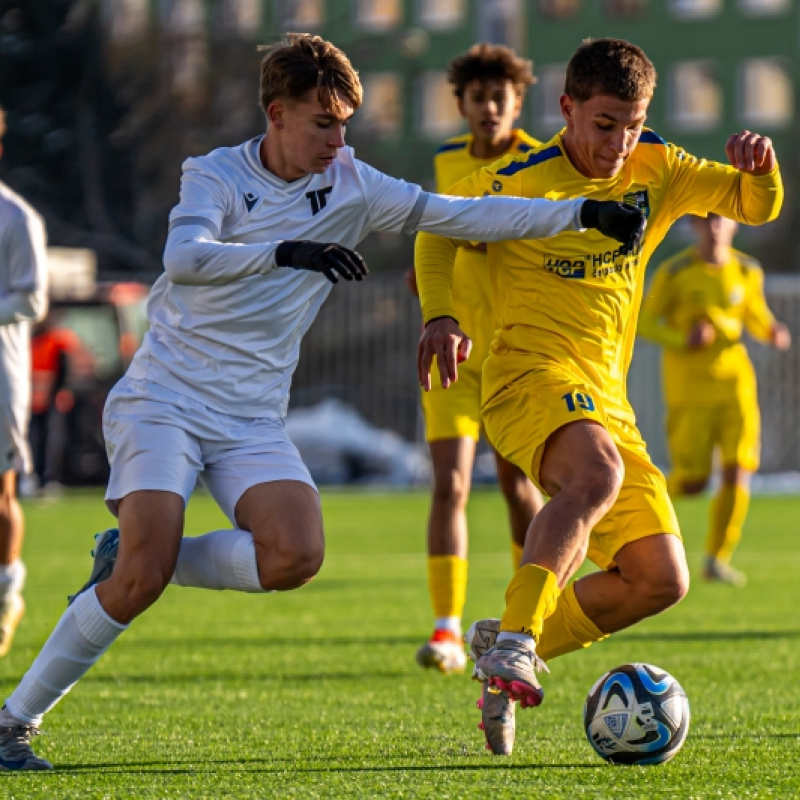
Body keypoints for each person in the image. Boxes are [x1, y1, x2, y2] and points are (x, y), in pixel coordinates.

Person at [0, 33, 643, 770]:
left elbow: (458, 213)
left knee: (295, 556)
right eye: (322, 123)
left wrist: (580, 217)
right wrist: (288, 250)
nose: (339, 141)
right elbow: (185, 259)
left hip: (250, 417)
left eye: (345, 124)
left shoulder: (352, 181)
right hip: (165, 399)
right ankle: (14, 722)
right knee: (138, 581)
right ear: (276, 114)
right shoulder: (212, 174)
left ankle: (145, 555)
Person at [415, 37, 782, 756]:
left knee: (659, 578)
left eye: (634, 125)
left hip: (605, 401)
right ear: (567, 110)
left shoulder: (661, 169)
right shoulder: (523, 178)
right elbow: (438, 233)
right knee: (596, 476)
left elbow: (752, 207)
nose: (620, 143)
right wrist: (440, 316)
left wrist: (762, 173)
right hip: (526, 377)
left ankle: (509, 643)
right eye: (606, 124)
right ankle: (519, 640)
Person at [406, 43, 545, 676]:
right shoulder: (445, 160)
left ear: (517, 104)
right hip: (451, 352)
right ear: (459, 104)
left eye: (500, 98)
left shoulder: (539, 159)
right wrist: (430, 282)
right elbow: (439, 235)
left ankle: (528, 625)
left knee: (519, 488)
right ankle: (445, 631)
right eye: (477, 98)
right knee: (451, 485)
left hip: (512, 350)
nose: (488, 108)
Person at [638, 213, 790, 587]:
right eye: (706, 222)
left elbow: (753, 313)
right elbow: (644, 322)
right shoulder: (675, 273)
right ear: (694, 227)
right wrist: (681, 339)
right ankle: (629, 500)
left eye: (721, 220)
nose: (715, 228)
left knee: (740, 467)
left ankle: (717, 558)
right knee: (692, 483)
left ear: (735, 225)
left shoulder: (746, 269)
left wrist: (770, 330)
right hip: (690, 387)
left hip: (736, 380)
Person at [0, 105, 49, 658]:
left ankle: (6, 591)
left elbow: (32, 297)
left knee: (1, 488)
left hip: (0, 374)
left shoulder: (15, 218)